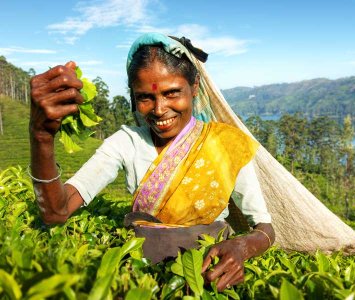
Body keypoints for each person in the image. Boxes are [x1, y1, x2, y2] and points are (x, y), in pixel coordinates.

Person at [29, 33, 275, 291]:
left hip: (208, 282)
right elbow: (57, 212)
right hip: (140, 280)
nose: (159, 109)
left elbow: (265, 229)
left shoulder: (226, 144)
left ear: (194, 87)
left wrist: (241, 247)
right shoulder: (126, 143)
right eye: (145, 97)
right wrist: (42, 137)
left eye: (172, 93)